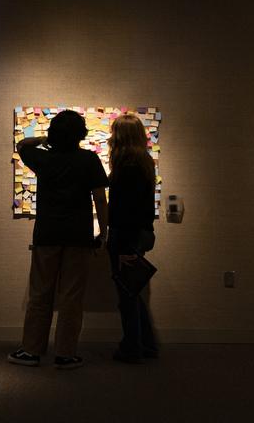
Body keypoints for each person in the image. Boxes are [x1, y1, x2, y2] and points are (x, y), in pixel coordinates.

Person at [7, 110, 108, 370]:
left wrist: (46, 138)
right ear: (81, 134)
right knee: (71, 297)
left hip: (47, 234)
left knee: (40, 294)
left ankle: (31, 350)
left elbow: (23, 145)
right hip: (78, 236)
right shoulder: (89, 159)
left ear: (54, 133)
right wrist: (104, 232)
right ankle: (65, 353)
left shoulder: (44, 158)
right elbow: (100, 199)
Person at [106, 113, 159, 363]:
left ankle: (133, 347)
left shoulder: (125, 168)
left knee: (127, 295)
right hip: (141, 233)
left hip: (125, 235)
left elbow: (123, 209)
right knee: (133, 292)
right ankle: (146, 345)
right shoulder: (145, 163)